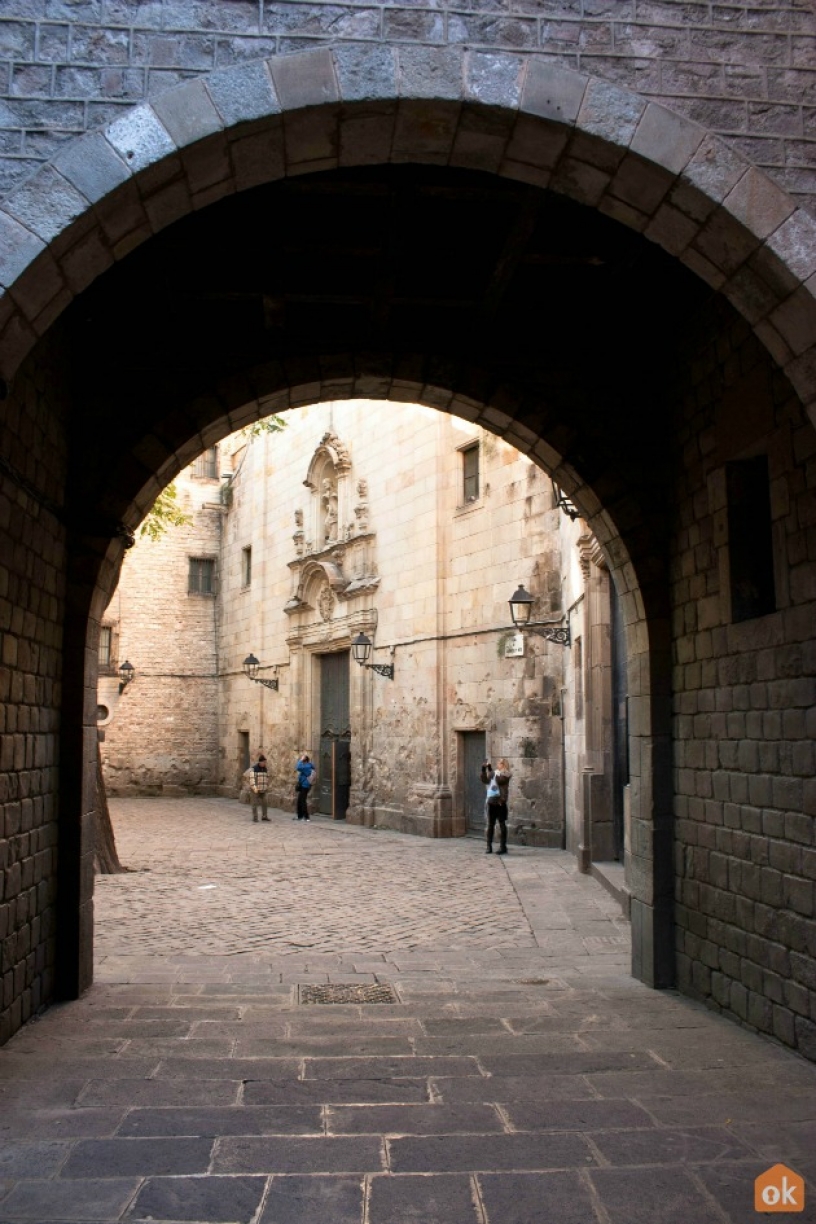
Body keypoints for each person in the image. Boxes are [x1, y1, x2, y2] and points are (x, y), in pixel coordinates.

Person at [481, 757, 512, 855]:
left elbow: (499, 781)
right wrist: (484, 769)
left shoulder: (506, 774)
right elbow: (485, 780)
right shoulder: (495, 773)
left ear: (504, 765)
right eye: (498, 763)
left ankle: (503, 847)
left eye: (500, 763)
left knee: (502, 824)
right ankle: (488, 846)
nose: (498, 765)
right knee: (490, 824)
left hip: (500, 802)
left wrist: (493, 772)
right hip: (492, 801)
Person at [247, 754, 270, 822]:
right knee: (254, 803)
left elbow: (266, 778)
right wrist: (254, 788)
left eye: (265, 762)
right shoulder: (254, 768)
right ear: (260, 762)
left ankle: (264, 816)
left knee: (265, 802)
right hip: (255, 789)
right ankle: (255, 817)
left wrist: (266, 787)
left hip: (263, 789)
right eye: (264, 762)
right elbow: (251, 779)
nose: (265, 763)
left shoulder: (265, 769)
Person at [294, 753, 315, 820]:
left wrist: (301, 759)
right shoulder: (308, 766)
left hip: (305, 786)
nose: (301, 762)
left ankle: (306, 817)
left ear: (304, 760)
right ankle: (300, 816)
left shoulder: (306, 766)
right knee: (300, 801)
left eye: (303, 760)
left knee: (302, 801)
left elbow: (298, 767)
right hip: (304, 785)